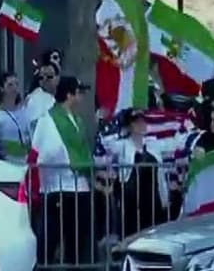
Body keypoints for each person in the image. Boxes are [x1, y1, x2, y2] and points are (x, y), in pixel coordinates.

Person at [30, 76, 100, 268]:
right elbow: (45, 153)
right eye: (78, 93)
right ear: (69, 94)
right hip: (57, 189)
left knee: (77, 243)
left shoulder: (77, 120)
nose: (81, 98)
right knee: (50, 242)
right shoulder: (48, 119)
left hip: (79, 189)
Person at [106, 109, 169, 238]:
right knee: (131, 233)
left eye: (142, 121)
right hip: (132, 200)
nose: (141, 125)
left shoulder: (153, 143)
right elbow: (106, 144)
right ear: (129, 126)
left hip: (153, 198)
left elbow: (175, 145)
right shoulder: (122, 145)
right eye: (136, 122)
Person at [0, 72, 29, 159]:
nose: (15, 88)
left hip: (26, 164)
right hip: (7, 164)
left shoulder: (24, 111)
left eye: (16, 84)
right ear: (1, 88)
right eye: (10, 85)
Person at [25, 61, 59, 133]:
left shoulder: (59, 97)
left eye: (49, 76)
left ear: (58, 78)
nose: (44, 79)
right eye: (41, 77)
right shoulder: (35, 99)